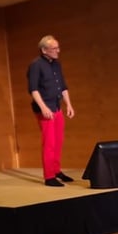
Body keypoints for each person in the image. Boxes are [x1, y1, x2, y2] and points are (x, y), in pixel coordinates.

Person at [27, 35, 75, 187]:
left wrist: (69, 105)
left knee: (58, 141)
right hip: (45, 108)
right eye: (54, 48)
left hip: (56, 106)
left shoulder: (56, 64)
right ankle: (49, 176)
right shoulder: (36, 65)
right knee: (49, 143)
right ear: (44, 50)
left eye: (58, 48)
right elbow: (33, 89)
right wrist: (43, 107)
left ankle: (56, 170)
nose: (57, 51)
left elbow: (63, 86)